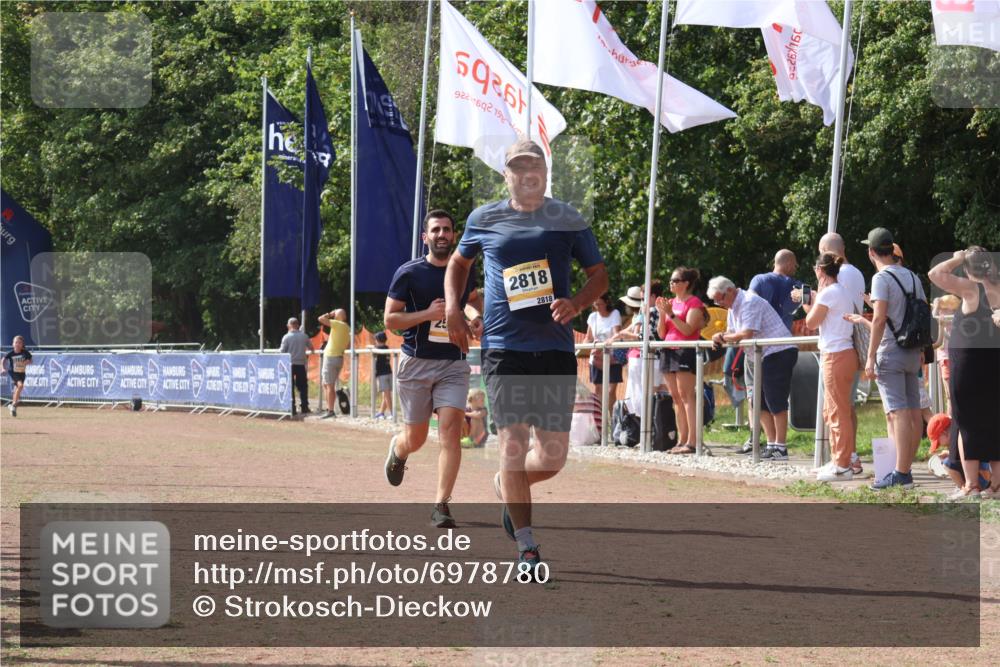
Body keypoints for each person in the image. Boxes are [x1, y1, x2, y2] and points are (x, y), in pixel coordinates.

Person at [445, 138, 608, 576]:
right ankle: (527, 547)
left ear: (545, 171)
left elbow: (599, 276)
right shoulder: (484, 218)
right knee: (513, 444)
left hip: (554, 347)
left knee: (552, 457)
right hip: (503, 349)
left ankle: (506, 485)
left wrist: (576, 302)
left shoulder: (568, 219)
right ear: (506, 174)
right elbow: (458, 266)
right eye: (518, 166)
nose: (526, 173)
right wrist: (452, 307)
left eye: (534, 165)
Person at [383, 209, 482, 528]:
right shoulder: (409, 273)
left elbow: (475, 301)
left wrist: (477, 318)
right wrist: (426, 314)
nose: (442, 235)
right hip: (416, 364)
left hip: (453, 363)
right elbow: (390, 320)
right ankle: (399, 450)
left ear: (454, 236)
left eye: (447, 230)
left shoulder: (465, 271)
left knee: (452, 432)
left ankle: (441, 505)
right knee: (417, 438)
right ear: (425, 237)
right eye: (436, 230)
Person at [928, 246, 1000, 499]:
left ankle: (971, 485)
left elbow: (935, 273)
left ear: (969, 269)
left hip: (970, 364)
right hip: (994, 363)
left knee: (965, 421)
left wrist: (956, 258)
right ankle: (996, 486)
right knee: (994, 420)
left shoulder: (972, 288)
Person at [861, 227, 927, 490]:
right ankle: (905, 470)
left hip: (890, 351)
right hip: (913, 351)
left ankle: (901, 473)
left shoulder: (881, 278)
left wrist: (869, 356)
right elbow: (923, 314)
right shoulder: (913, 276)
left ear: (872, 252)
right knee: (912, 414)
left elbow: (878, 318)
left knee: (897, 413)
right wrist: (922, 350)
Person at [708, 276, 797, 460]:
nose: (719, 303)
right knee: (758, 401)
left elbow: (746, 333)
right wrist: (721, 335)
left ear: (730, 291)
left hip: (777, 352)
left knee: (775, 400)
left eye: (720, 299)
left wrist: (722, 337)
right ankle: (772, 445)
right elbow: (734, 333)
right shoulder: (733, 307)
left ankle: (781, 446)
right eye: (716, 301)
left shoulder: (749, 301)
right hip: (758, 355)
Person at [804, 254, 859, 481]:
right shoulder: (842, 291)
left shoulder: (828, 293)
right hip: (844, 353)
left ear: (819, 270)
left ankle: (843, 464)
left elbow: (811, 322)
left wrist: (807, 302)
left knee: (837, 412)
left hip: (835, 355)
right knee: (833, 410)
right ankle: (839, 459)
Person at [655, 267, 706, 454]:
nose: (671, 283)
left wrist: (671, 314)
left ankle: (692, 442)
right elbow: (662, 334)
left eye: (675, 280)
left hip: (685, 351)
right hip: (668, 350)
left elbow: (687, 330)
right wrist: (662, 314)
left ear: (685, 283)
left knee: (686, 396)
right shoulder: (669, 303)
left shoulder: (694, 303)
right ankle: (682, 439)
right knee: (676, 397)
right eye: (671, 280)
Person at [609, 283, 663, 419]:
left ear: (652, 296)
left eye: (644, 298)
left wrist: (622, 336)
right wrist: (619, 336)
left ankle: (645, 428)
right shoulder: (646, 312)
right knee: (644, 394)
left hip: (648, 357)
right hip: (645, 356)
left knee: (644, 395)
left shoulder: (650, 312)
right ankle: (645, 428)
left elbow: (645, 336)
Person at [925, 413, 993, 500]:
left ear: (944, 433)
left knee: (947, 463)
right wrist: (950, 453)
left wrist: (951, 457)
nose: (940, 445)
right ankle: (972, 487)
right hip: (991, 475)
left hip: (986, 477)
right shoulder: (965, 433)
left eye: (938, 442)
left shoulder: (959, 440)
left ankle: (964, 488)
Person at [582, 293, 622, 413]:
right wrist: (583, 348)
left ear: (606, 303)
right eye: (595, 304)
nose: (597, 306)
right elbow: (588, 337)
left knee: (610, 391)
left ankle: (612, 421)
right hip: (596, 359)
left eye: (599, 304)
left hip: (612, 358)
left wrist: (605, 344)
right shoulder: (592, 317)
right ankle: (600, 421)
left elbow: (617, 335)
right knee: (598, 390)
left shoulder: (615, 314)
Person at [749, 249, 799, 330]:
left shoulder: (758, 279)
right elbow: (810, 303)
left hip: (761, 338)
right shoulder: (798, 285)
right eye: (795, 265)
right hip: (785, 338)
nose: (795, 269)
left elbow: (748, 303)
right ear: (789, 264)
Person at [317, 309, 350, 418]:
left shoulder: (337, 324)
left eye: (335, 314)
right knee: (326, 384)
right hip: (339, 357)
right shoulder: (347, 328)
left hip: (331, 356)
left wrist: (329, 313)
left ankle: (330, 411)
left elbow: (320, 319)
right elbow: (348, 345)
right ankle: (329, 408)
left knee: (329, 385)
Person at [279, 317, 314, 416]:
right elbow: (311, 348)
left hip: (289, 365)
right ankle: (304, 406)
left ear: (289, 325)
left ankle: (292, 407)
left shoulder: (286, 337)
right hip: (301, 364)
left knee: (290, 386)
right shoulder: (304, 336)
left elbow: (282, 351)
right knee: (303, 386)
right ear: (298, 325)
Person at [2, 335, 33, 417]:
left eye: (19, 342)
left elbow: (30, 360)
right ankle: (14, 404)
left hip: (22, 373)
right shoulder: (10, 353)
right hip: (13, 372)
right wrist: (2, 368)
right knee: (20, 386)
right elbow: (3, 360)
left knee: (17, 388)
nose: (18, 344)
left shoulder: (25, 352)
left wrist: (26, 362)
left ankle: (12, 406)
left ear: (22, 344)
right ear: (13, 344)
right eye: (16, 342)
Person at [373, 330, 393, 420]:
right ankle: (381, 412)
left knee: (387, 395)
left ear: (377, 340)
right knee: (385, 395)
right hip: (389, 373)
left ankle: (392, 413)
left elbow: (373, 349)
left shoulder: (377, 349)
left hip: (382, 375)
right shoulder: (386, 347)